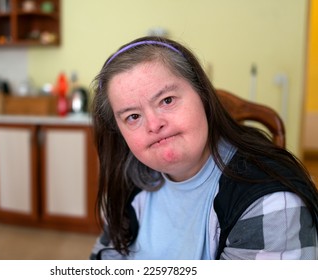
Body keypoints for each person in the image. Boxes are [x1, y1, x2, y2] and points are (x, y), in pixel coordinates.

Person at [89, 36, 318, 260]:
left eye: (167, 100)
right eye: (133, 116)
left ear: (202, 95)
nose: (154, 124)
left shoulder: (272, 204)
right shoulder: (131, 179)